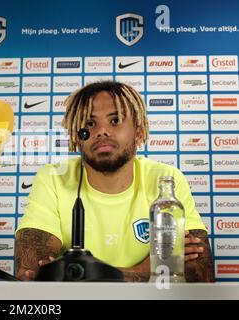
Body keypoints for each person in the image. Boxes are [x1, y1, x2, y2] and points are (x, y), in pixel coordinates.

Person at [15, 81, 214, 282]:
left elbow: (200, 273)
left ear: (138, 132)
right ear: (77, 137)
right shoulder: (53, 177)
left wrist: (80, 273)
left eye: (115, 120)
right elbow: (30, 273)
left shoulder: (166, 179)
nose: (102, 131)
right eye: (90, 124)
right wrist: (150, 269)